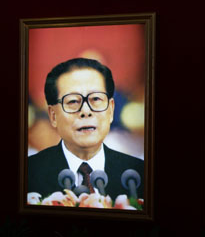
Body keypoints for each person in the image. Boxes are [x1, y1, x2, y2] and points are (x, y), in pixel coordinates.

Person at [28, 58, 144, 201]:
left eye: (95, 99)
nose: (86, 111)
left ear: (111, 110)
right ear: (53, 115)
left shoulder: (139, 174)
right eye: (73, 101)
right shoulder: (28, 173)